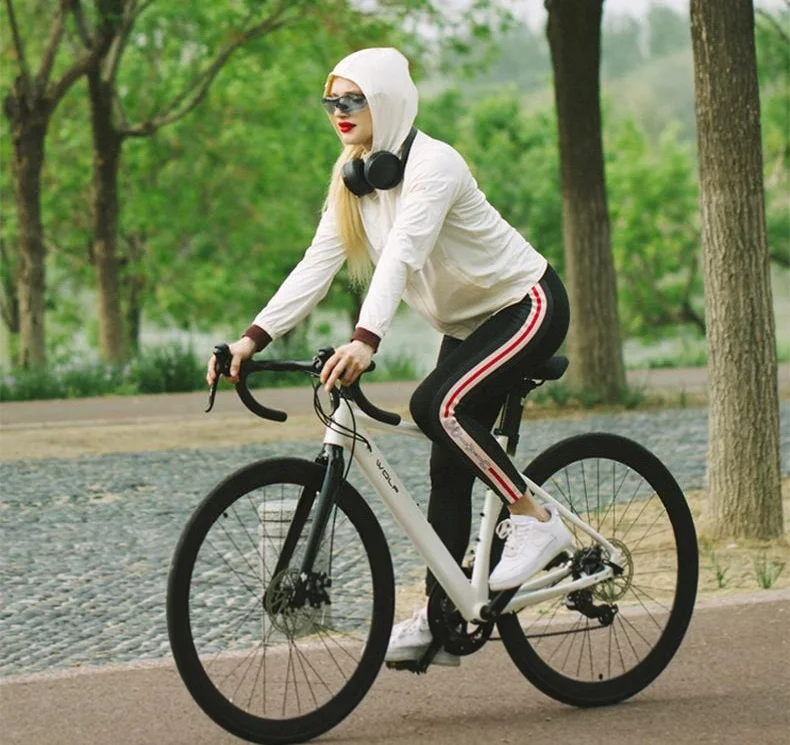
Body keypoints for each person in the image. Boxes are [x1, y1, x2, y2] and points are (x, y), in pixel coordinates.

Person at [207, 47, 573, 667]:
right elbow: (317, 264)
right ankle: (443, 617)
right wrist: (252, 339)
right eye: (331, 101)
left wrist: (365, 339)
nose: (339, 111)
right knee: (447, 468)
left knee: (437, 407)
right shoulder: (354, 177)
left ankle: (535, 520)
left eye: (353, 99)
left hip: (526, 304)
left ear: (387, 101)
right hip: (468, 324)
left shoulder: (435, 164)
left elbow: (402, 253)